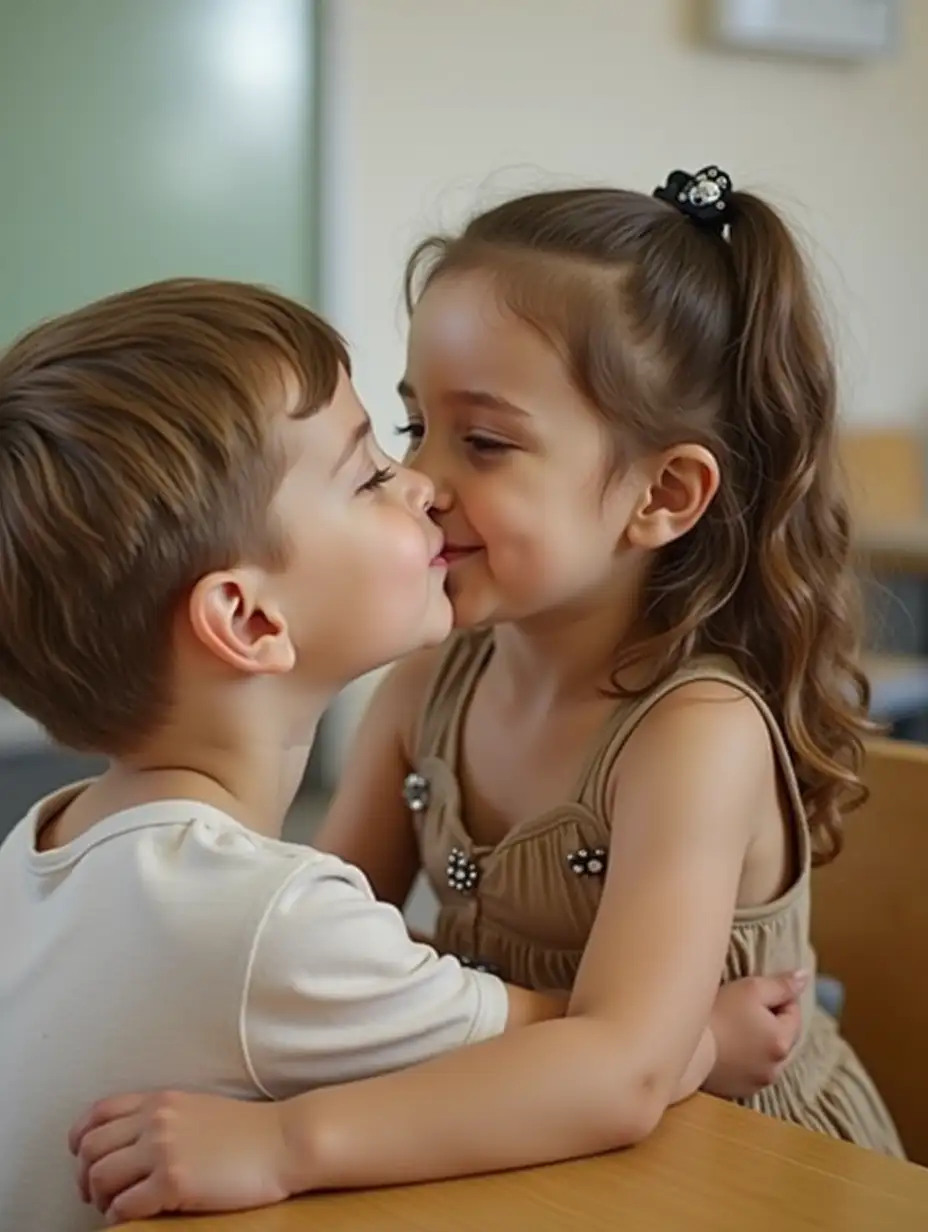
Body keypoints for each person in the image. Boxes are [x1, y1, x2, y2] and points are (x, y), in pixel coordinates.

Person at [72, 161, 892, 1221]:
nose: (421, 479)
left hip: (734, 1162)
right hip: (530, 1137)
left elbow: (626, 1070)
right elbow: (294, 934)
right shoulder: (433, 677)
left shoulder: (695, 732)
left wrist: (281, 1141)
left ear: (662, 493)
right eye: (415, 427)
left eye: (487, 441)